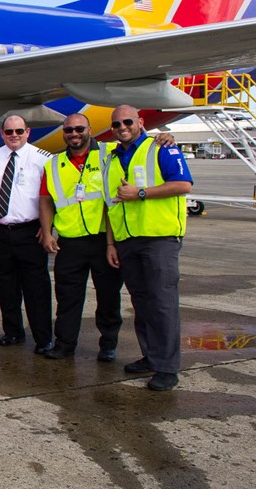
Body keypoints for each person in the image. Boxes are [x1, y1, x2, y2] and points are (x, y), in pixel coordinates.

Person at [102, 105, 192, 391]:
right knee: (141, 302)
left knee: (162, 303)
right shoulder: (113, 158)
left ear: (140, 122)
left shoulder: (159, 147)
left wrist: (140, 193)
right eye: (116, 124)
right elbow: (110, 203)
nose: (122, 127)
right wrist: (111, 243)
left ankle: (167, 368)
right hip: (128, 240)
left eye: (127, 122)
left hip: (159, 238)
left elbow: (183, 185)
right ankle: (151, 357)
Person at [37, 114, 123, 362]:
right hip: (70, 241)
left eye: (79, 129)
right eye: (69, 130)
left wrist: (162, 140)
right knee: (67, 297)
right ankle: (65, 344)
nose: (74, 134)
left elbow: (137, 147)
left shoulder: (109, 153)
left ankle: (108, 344)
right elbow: (45, 199)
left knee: (108, 295)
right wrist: (46, 231)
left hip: (102, 239)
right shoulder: (54, 164)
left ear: (89, 129)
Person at [0, 115, 53, 354]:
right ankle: (13, 331)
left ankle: (43, 337)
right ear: (2, 133)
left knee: (36, 288)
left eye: (19, 131)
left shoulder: (43, 160)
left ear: (28, 132)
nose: (14, 135)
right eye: (9, 132)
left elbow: (51, 197)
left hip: (30, 231)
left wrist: (48, 229)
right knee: (5, 285)